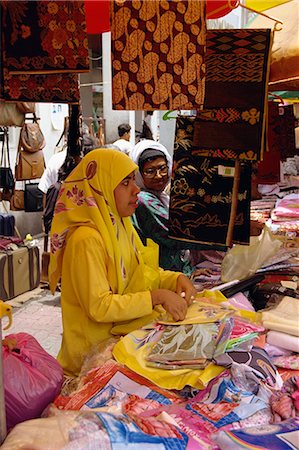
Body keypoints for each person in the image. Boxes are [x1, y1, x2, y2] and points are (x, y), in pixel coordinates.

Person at [48, 149, 196, 377]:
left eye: (133, 181)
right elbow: (100, 306)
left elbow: (141, 273)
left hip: (119, 348)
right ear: (101, 187)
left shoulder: (120, 225)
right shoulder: (86, 239)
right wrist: (156, 297)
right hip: (90, 364)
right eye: (125, 183)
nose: (136, 189)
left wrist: (174, 278)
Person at [130, 140, 214, 278]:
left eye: (162, 168)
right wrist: (231, 233)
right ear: (139, 174)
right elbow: (177, 233)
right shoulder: (144, 200)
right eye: (150, 171)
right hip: (162, 279)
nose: (159, 176)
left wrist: (189, 271)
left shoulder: (161, 196)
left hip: (173, 275)